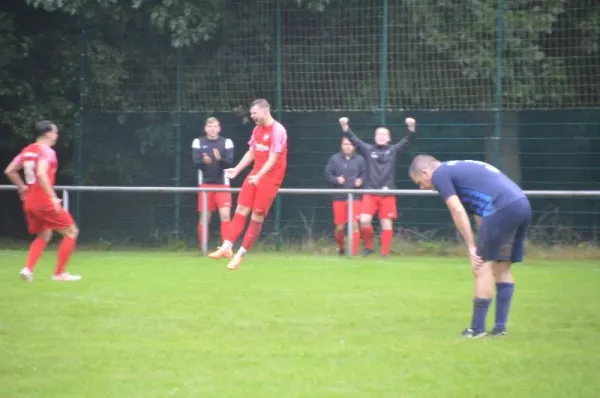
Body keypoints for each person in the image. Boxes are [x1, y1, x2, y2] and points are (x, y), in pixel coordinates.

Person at [408, 155, 532, 338]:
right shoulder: (459, 167)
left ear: (426, 172)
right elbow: (479, 210)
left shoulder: (440, 175)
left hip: (501, 209)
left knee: (482, 266)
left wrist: (472, 247)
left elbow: (457, 210)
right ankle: (499, 329)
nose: (422, 187)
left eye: (420, 182)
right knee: (502, 267)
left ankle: (477, 329)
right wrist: (483, 239)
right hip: (521, 204)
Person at [208, 99, 287, 270]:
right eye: (251, 114)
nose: (252, 116)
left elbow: (273, 159)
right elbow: (251, 152)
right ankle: (227, 247)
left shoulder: (278, 130)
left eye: (254, 113)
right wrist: (237, 169)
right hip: (256, 174)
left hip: (270, 178)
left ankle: (240, 254)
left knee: (256, 216)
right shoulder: (257, 130)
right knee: (241, 209)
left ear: (265, 111)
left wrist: (260, 175)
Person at [4, 120, 81, 282]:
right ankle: (59, 273)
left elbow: (10, 170)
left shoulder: (27, 151)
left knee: (44, 235)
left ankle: (27, 269)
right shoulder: (47, 152)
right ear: (48, 134)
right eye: (55, 132)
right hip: (44, 201)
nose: (57, 135)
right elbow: (41, 173)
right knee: (71, 232)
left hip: (30, 202)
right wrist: (52, 196)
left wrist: (22, 187)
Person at [338, 117, 416, 256]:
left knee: (386, 223)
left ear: (389, 139)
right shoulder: (368, 150)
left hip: (387, 193)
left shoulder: (393, 150)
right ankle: (369, 246)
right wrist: (345, 126)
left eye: (384, 135)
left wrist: (411, 129)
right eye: (378, 134)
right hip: (370, 192)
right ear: (374, 137)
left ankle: (384, 254)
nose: (381, 137)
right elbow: (355, 140)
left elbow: (407, 142)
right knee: (363, 221)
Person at [192, 117, 234, 248]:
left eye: (215, 126)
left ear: (219, 128)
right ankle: (203, 247)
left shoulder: (227, 142)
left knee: (225, 215)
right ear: (205, 128)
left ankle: (226, 248)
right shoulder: (198, 142)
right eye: (210, 126)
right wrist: (203, 162)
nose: (212, 129)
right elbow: (196, 162)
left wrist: (219, 159)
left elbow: (229, 163)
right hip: (205, 184)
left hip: (223, 184)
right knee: (205, 217)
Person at [325, 137, 366, 255]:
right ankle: (341, 247)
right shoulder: (334, 159)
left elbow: (365, 175)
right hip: (339, 197)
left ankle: (353, 253)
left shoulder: (360, 160)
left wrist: (360, 180)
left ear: (354, 146)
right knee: (340, 228)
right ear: (341, 145)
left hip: (355, 197)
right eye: (345, 144)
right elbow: (328, 174)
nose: (347, 146)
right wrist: (336, 179)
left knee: (354, 224)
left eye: (350, 144)